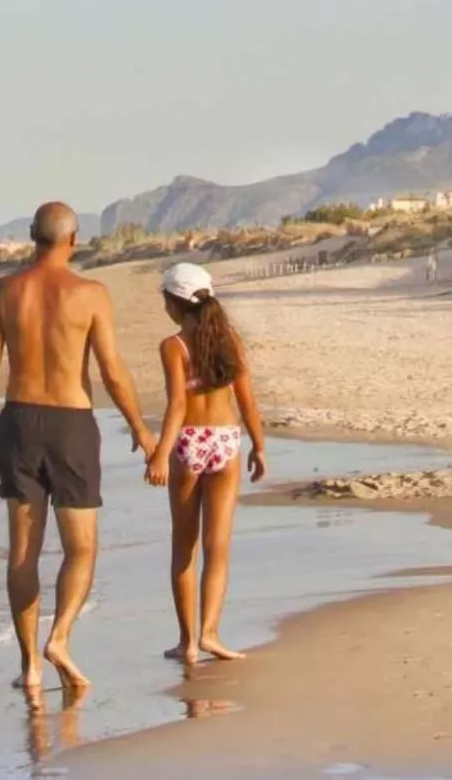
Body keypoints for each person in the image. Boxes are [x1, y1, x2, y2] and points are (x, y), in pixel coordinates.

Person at [0, 201, 157, 692]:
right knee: (83, 547)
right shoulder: (91, 294)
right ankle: (60, 638)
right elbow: (112, 371)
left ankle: (30, 665)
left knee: (22, 554)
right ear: (74, 240)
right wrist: (142, 431)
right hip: (72, 425)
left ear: (32, 235)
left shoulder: (3, 290)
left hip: (18, 422)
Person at [145, 263, 266, 665]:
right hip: (227, 440)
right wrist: (259, 447)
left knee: (185, 547)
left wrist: (161, 452)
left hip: (190, 442)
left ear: (174, 304)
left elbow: (178, 404)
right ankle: (211, 633)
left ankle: (188, 642)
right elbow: (247, 399)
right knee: (218, 547)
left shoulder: (174, 346)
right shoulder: (229, 339)